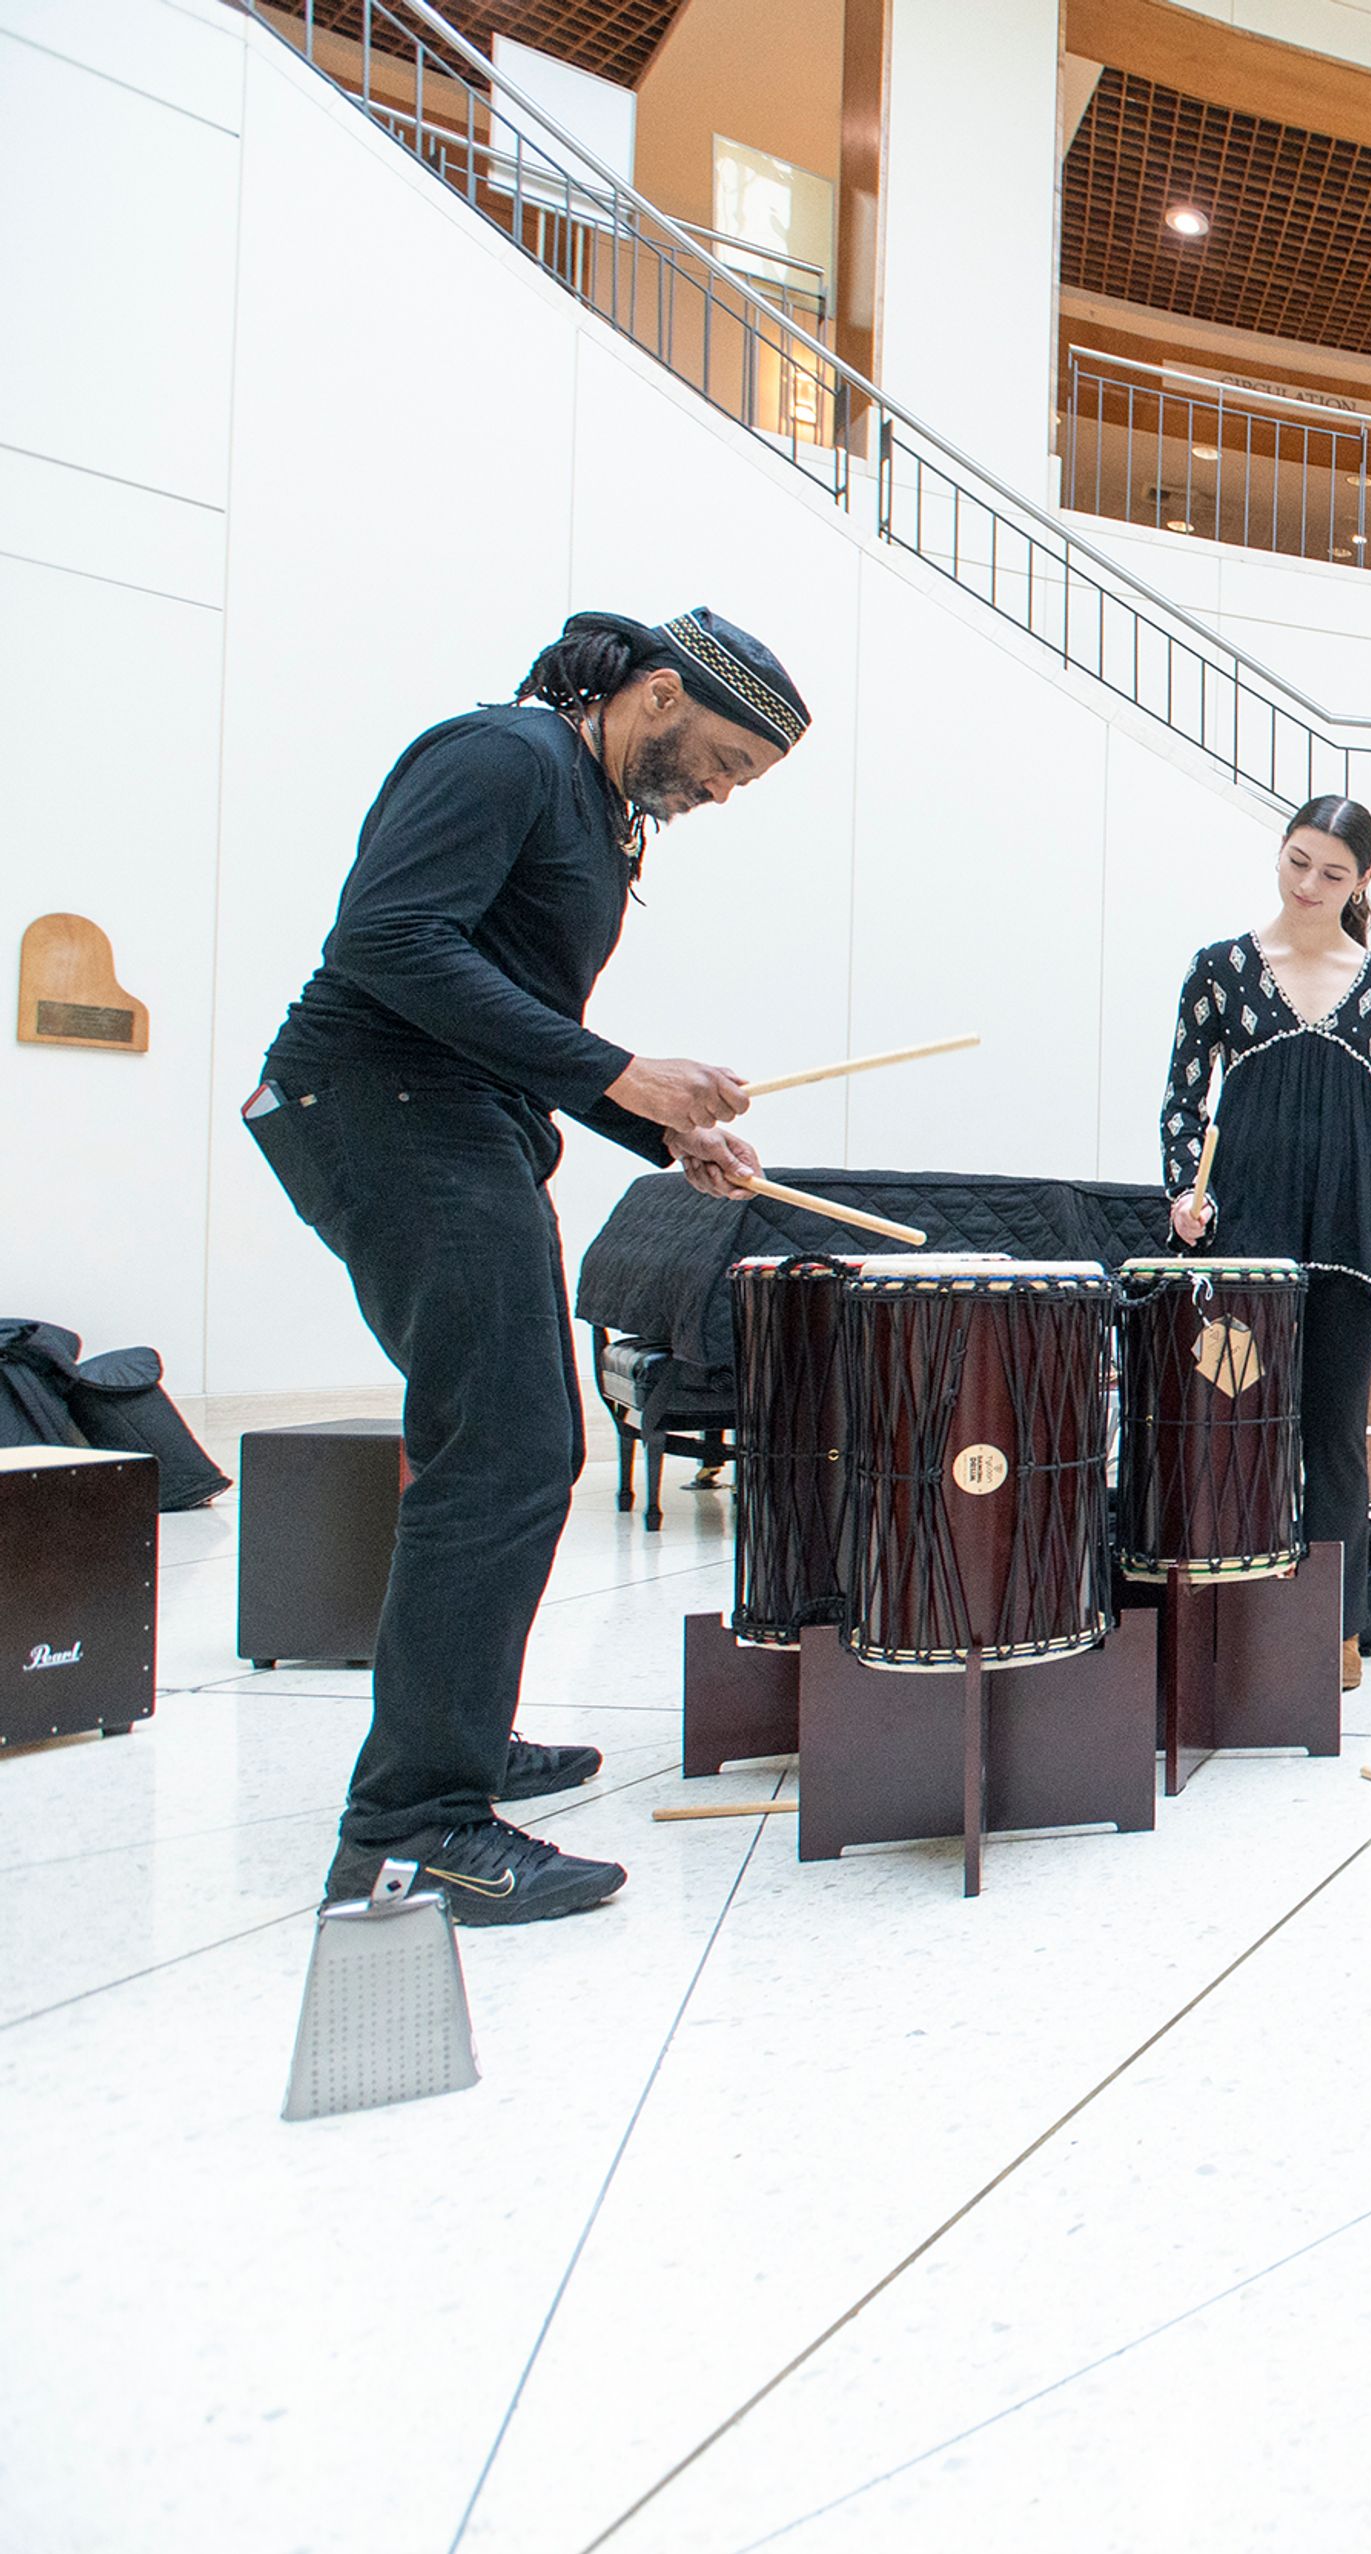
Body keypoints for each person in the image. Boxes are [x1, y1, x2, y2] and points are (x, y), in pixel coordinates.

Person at [250, 608, 805, 1924]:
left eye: (744, 783)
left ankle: (453, 1733)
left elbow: (520, 1019)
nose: (724, 794)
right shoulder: (504, 755)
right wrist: (620, 1075)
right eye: (726, 761)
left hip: (457, 1120)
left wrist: (657, 1125)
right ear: (658, 692)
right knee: (503, 1446)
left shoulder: (602, 819)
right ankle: (413, 1826)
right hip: (382, 1110)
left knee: (517, 1444)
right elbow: (386, 943)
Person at [1160, 794, 1371, 1691]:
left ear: (1364, 881)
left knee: (1332, 1435)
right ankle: (1230, 1613)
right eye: (1297, 863)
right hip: (1245, 1242)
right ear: (1278, 856)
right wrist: (1184, 1194)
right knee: (1237, 1424)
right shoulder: (1220, 970)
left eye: (1332, 873)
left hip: (1352, 1246)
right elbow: (1181, 1104)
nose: (1308, 885)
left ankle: (1336, 1630)